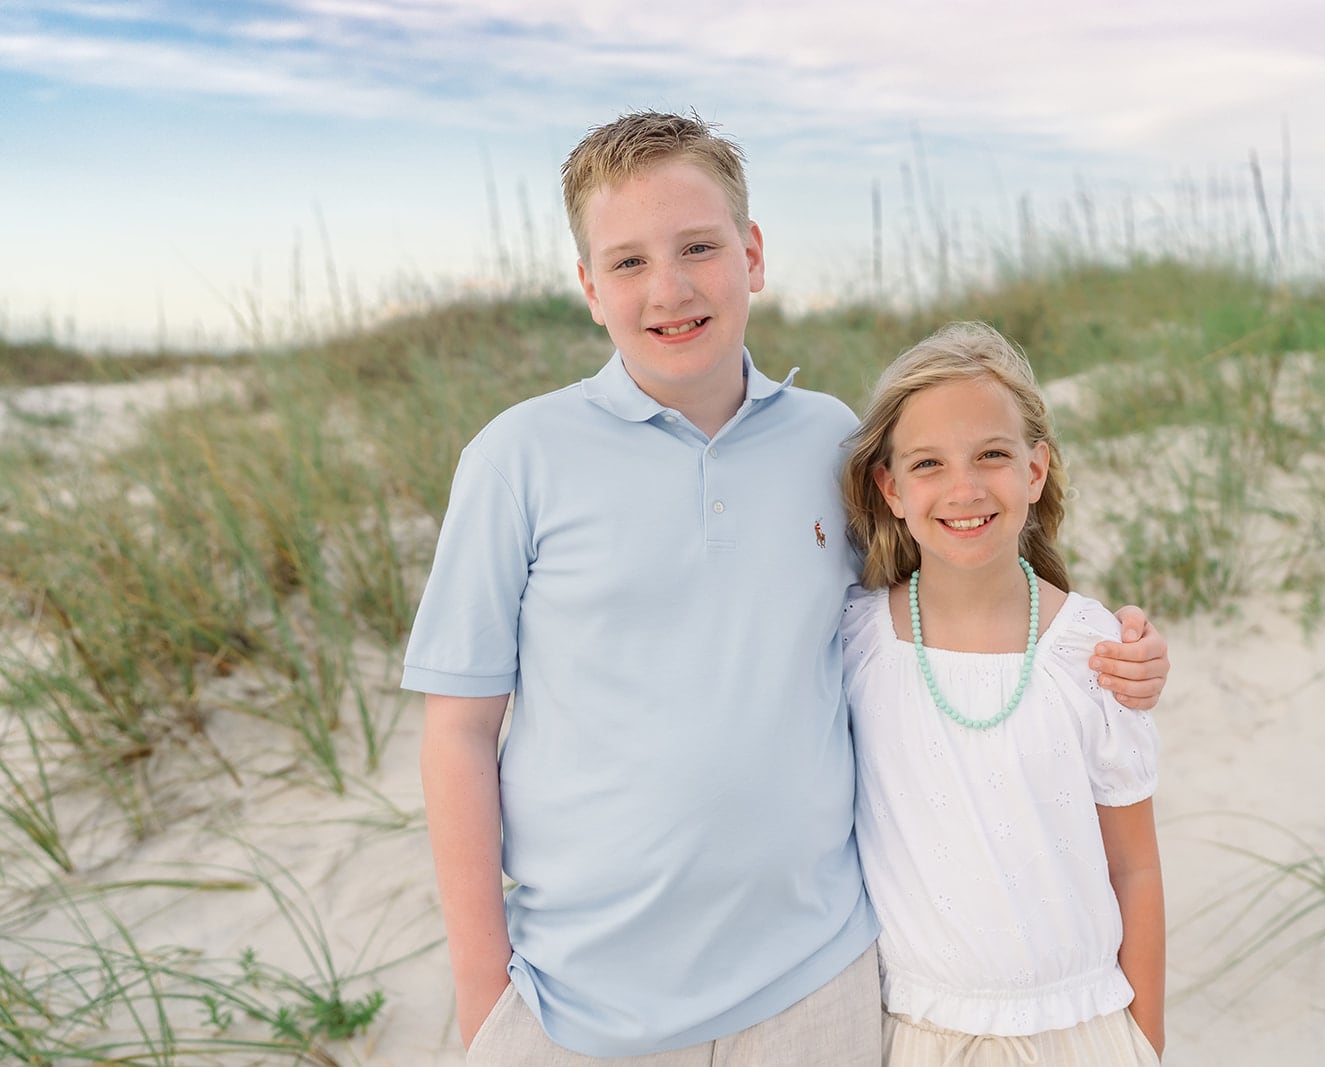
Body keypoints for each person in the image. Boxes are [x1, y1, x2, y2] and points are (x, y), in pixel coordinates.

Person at [403, 111, 1171, 1066]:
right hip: (584, 1003)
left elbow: (943, 591)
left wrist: (1104, 651)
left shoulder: (828, 440)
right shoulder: (516, 459)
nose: (671, 287)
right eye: (629, 261)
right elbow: (459, 729)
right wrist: (485, 994)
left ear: (753, 254)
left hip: (823, 982)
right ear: (589, 288)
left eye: (698, 247)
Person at [839, 321, 1165, 1066]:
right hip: (912, 1030)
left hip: (1081, 1030)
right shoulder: (855, 641)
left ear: (1035, 470)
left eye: (992, 454)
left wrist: (1143, 1040)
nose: (964, 487)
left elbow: (1135, 867)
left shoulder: (1095, 651)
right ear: (889, 486)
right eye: (928, 463)